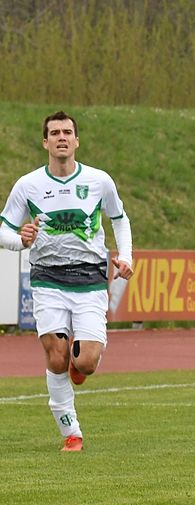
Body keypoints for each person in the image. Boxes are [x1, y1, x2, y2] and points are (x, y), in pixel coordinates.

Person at [0, 111, 134, 452]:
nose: (62, 137)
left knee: (86, 362)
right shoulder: (28, 185)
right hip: (48, 279)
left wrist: (126, 257)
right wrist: (21, 240)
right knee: (56, 357)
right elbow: (4, 231)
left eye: (67, 132)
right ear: (45, 142)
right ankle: (71, 433)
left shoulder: (99, 180)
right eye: (55, 132)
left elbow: (119, 219)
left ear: (76, 141)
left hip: (90, 278)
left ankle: (80, 364)